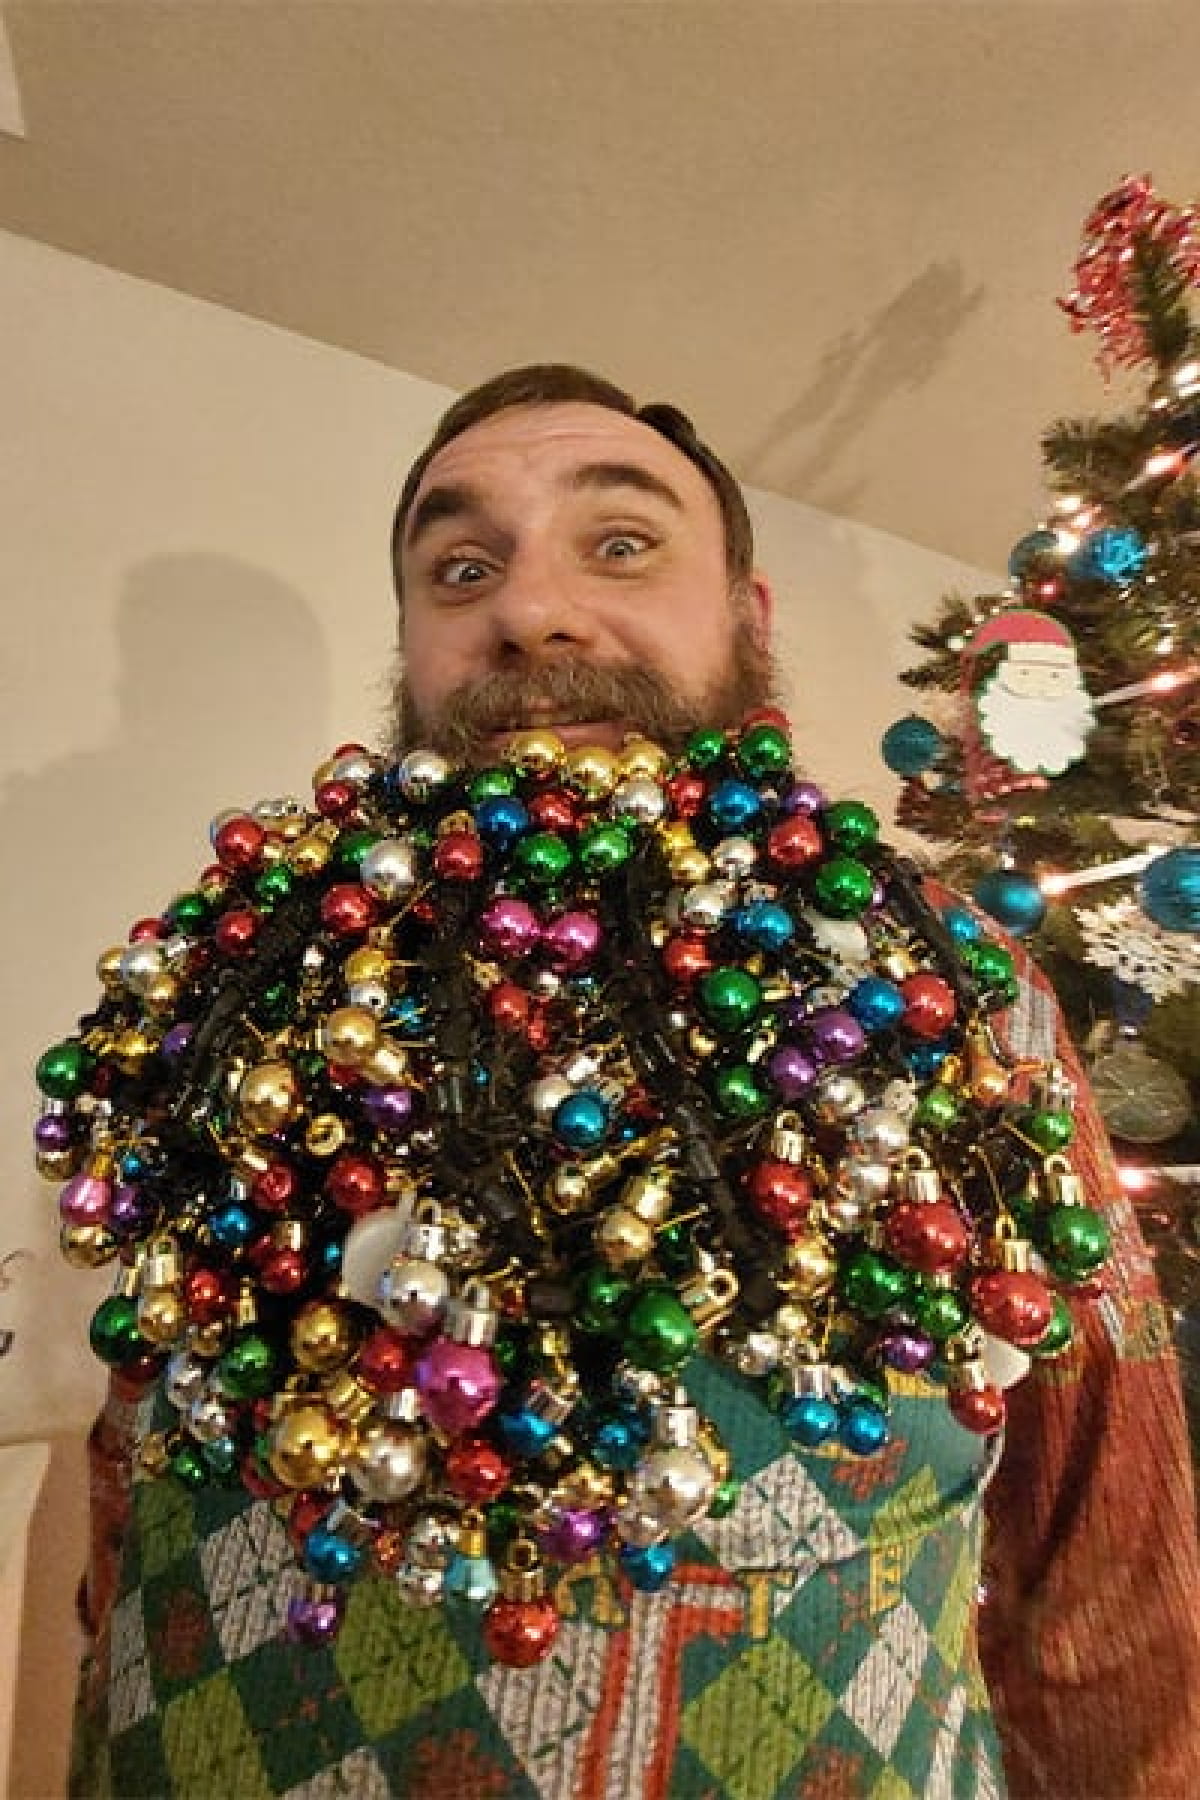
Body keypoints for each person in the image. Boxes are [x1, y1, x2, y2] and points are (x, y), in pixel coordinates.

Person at [64, 366, 1200, 1799]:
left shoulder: (945, 984)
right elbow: (130, 1456)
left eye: (620, 543)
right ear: (410, 646)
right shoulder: (245, 975)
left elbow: (1105, 1562)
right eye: (462, 567)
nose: (531, 611)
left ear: (749, 617)